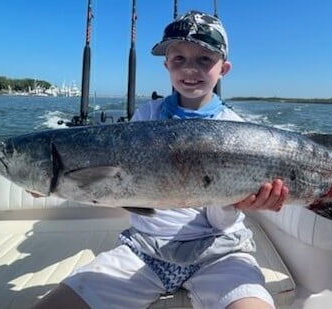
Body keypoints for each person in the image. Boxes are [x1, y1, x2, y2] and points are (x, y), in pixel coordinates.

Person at [32, 11, 288, 309]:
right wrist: (54, 182)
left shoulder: (237, 131)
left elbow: (219, 222)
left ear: (224, 68)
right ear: (167, 65)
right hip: (144, 249)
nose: (190, 69)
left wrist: (235, 202)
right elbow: (121, 187)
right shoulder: (146, 116)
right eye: (179, 59)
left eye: (204, 59)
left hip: (220, 252)